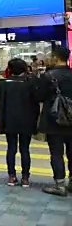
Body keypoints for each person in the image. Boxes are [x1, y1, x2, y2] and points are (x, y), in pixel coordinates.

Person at [0, 58, 39, 187]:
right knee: (25, 149)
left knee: (11, 148)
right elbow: (35, 105)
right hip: (27, 121)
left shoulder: (4, 85)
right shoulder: (30, 84)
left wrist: (0, 122)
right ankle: (25, 177)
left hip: (10, 121)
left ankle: (11, 176)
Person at [36, 46, 72, 196]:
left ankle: (59, 184)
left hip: (54, 120)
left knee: (56, 153)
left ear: (56, 58)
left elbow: (39, 96)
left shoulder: (48, 76)